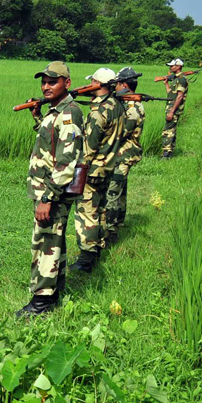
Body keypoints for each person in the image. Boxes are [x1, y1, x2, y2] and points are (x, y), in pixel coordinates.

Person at [16, 62, 84, 317]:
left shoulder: (68, 113)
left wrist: (47, 197)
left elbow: (67, 163)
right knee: (54, 241)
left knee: (45, 243)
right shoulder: (56, 111)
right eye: (43, 81)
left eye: (52, 81)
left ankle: (41, 302)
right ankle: (54, 293)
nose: (45, 86)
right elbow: (49, 142)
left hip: (52, 192)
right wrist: (37, 116)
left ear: (67, 83)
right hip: (48, 190)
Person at [72, 67, 125, 274]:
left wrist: (78, 171)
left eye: (92, 82)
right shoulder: (117, 105)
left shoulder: (98, 112)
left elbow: (89, 147)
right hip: (109, 166)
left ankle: (86, 259)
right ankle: (97, 251)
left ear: (98, 84)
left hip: (93, 170)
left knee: (87, 213)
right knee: (101, 210)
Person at [104, 67, 145, 245]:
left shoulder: (133, 108)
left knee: (113, 193)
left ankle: (111, 232)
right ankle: (118, 223)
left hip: (123, 155)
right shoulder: (127, 104)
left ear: (124, 84)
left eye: (117, 84)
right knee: (119, 193)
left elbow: (120, 132)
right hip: (121, 155)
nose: (115, 88)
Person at [161, 58, 189, 159]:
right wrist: (166, 84)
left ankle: (166, 154)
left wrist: (172, 111)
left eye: (172, 66)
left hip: (174, 109)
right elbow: (170, 93)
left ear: (178, 67)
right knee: (171, 130)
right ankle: (169, 152)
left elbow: (180, 96)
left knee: (167, 131)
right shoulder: (176, 79)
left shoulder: (181, 79)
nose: (170, 67)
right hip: (171, 107)